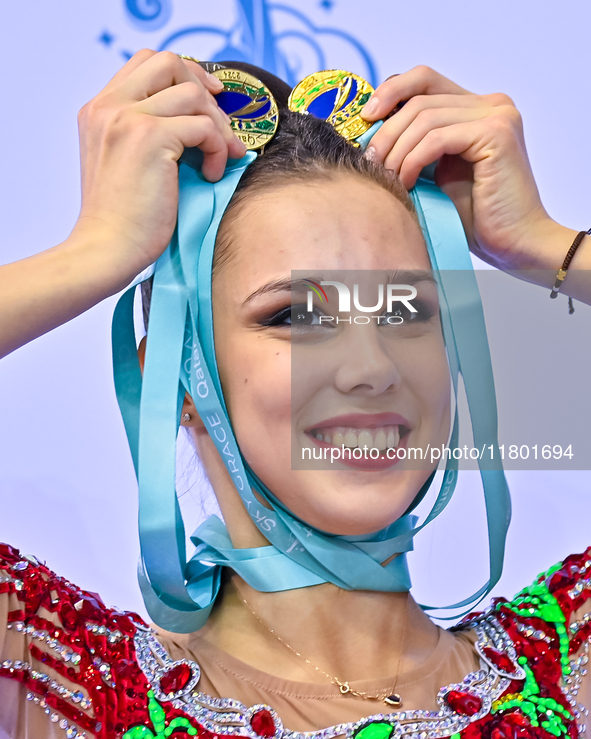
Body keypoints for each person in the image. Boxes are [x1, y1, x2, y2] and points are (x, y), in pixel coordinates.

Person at [0, 51, 590, 739]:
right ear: (180, 376)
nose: (370, 367)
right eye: (292, 316)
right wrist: (93, 252)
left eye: (404, 312)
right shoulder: (57, 673)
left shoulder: (561, 665)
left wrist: (547, 246)